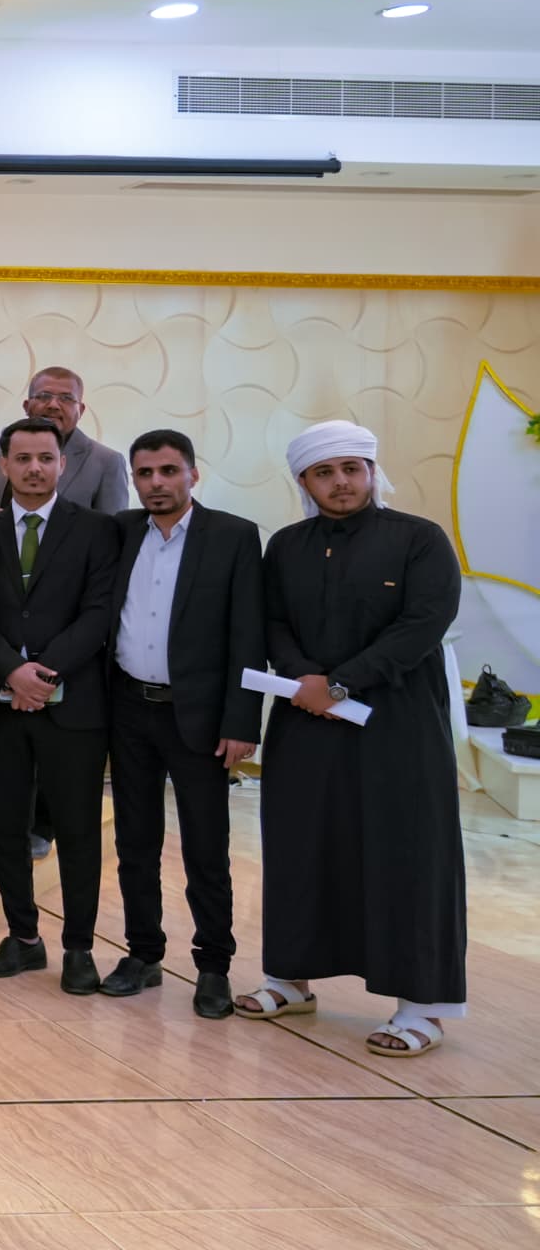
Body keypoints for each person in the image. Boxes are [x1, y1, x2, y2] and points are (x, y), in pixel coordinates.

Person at [235, 421, 466, 1057]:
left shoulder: (419, 539)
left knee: (408, 855)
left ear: (370, 472)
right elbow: (272, 621)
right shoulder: (286, 546)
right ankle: (290, 978)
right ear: (304, 482)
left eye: (351, 469)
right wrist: (306, 682)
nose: (340, 482)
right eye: (324, 472)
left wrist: (339, 685)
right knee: (300, 846)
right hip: (306, 721)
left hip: (399, 725)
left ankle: (422, 1006)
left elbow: (424, 623)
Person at [106, 429, 263, 1016]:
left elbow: (248, 634)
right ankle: (143, 954)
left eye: (168, 471)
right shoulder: (120, 531)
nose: (156, 483)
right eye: (145, 473)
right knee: (134, 842)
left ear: (193, 474)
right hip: (128, 710)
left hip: (198, 716)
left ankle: (213, 966)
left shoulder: (233, 536)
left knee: (206, 847)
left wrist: (241, 721)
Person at [0, 417, 122, 991]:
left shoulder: (97, 529)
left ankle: (79, 947)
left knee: (78, 829)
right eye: (23, 459)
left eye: (46, 459)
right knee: (6, 826)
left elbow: (100, 613)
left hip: (74, 706)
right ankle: (23, 938)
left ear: (62, 464)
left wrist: (45, 673)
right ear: (4, 465)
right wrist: (11, 669)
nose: (35, 469)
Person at [0, 367, 127, 514]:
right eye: (44, 396)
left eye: (66, 398)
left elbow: (111, 526)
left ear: (81, 410)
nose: (53, 405)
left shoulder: (107, 462)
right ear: (26, 406)